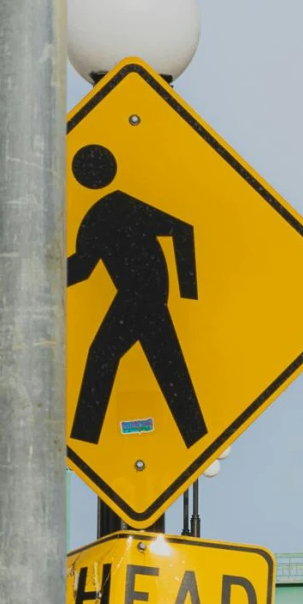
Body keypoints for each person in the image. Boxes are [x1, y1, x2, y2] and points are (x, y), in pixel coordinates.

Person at [67, 143, 207, 447]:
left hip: (141, 296)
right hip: (143, 296)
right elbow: (82, 268)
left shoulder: (113, 208)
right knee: (169, 367)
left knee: (103, 356)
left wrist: (190, 294)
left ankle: (83, 438)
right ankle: (196, 438)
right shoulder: (100, 214)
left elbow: (182, 231)